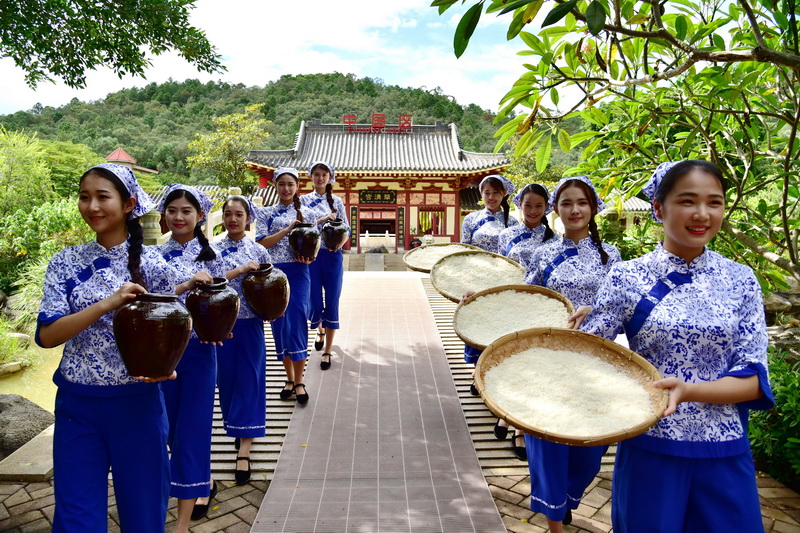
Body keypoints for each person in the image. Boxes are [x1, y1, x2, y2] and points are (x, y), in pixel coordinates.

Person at [581, 160, 773, 532]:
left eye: (714, 202)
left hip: (724, 448)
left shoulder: (741, 279)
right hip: (650, 445)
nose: (702, 214)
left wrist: (688, 391)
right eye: (687, 201)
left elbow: (753, 379)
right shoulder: (626, 276)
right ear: (658, 208)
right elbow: (586, 356)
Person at [36, 163, 204, 531]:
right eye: (84, 197)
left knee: (144, 515)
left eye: (102, 197)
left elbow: (177, 324)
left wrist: (169, 363)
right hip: (77, 406)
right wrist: (107, 304)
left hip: (138, 405)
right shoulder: (64, 263)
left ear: (128, 204)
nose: (92, 206)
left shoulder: (156, 265)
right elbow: (47, 336)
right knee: (77, 518)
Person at [524, 175, 621, 531]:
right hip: (547, 361)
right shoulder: (543, 253)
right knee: (548, 440)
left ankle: (564, 500)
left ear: (593, 208)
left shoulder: (612, 257)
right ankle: (555, 520)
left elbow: (620, 311)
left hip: (597, 363)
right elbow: (523, 298)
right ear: (556, 209)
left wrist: (593, 313)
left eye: (582, 202)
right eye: (566, 203)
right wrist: (479, 299)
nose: (575, 209)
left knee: (589, 450)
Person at [155, 184, 224, 526]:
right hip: (161, 353)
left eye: (186, 211)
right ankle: (201, 480)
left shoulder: (213, 255)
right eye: (172, 210)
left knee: (192, 428)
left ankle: (181, 523)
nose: (179, 216)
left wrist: (219, 329)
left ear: (199, 216)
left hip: (199, 351)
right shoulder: (151, 256)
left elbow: (227, 300)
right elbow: (147, 300)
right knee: (164, 426)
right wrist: (183, 286)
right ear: (164, 216)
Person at [494, 183, 556, 459]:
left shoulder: (553, 241)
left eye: (538, 206)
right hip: (509, 307)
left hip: (538, 311)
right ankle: (506, 414)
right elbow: (498, 270)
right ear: (519, 204)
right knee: (509, 363)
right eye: (528, 205)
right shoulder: (505, 235)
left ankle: (518, 428)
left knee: (530, 365)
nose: (532, 211)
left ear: (547, 208)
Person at [215, 195, 271, 485]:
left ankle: (244, 451)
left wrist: (273, 310)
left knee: (250, 380)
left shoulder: (259, 250)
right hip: (221, 326)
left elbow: (270, 285)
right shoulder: (211, 249)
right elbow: (209, 281)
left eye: (239, 214)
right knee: (226, 382)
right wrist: (239, 270)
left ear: (249, 218)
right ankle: (236, 427)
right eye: (228, 214)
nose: (233, 219)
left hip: (250, 325)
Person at [256, 167, 316, 404]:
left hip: (299, 271)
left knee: (298, 320)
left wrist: (310, 257)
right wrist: (287, 229)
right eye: (282, 184)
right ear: (276, 186)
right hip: (273, 274)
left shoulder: (307, 214)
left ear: (297, 187)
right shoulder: (265, 214)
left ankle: (299, 380)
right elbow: (262, 244)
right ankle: (288, 378)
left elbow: (314, 244)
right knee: (280, 324)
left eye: (290, 184)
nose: (286, 188)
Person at [301, 161, 349, 370]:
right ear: (311, 177)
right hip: (311, 257)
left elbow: (346, 226)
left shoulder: (337, 201)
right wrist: (322, 220)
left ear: (330, 177)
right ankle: (320, 329)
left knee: (332, 300)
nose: (320, 178)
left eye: (324, 174)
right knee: (313, 301)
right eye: (317, 174)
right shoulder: (301, 201)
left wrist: (340, 240)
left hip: (332, 256)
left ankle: (328, 350)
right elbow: (300, 227)